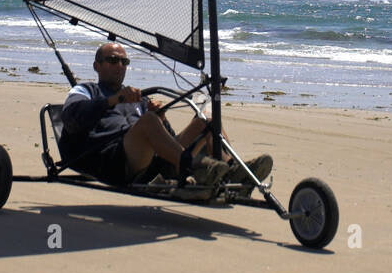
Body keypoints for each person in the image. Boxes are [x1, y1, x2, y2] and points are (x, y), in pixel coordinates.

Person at [58, 42, 272, 192]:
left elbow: (167, 139)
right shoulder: (85, 90)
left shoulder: (137, 99)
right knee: (148, 122)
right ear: (97, 66)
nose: (120, 66)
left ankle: (233, 171)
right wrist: (113, 101)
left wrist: (162, 118)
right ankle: (196, 168)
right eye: (113, 61)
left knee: (207, 118)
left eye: (125, 62)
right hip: (113, 160)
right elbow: (70, 118)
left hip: (156, 161)